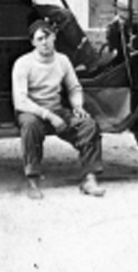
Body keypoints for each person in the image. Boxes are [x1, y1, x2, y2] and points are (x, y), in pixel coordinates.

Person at [12, 18, 106, 199]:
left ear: (54, 37)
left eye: (48, 37)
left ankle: (89, 179)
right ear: (33, 42)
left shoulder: (62, 60)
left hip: (56, 109)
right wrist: (48, 116)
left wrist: (77, 106)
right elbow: (20, 101)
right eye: (39, 39)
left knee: (88, 125)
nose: (45, 42)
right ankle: (33, 181)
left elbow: (74, 87)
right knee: (30, 127)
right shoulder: (23, 63)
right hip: (32, 111)